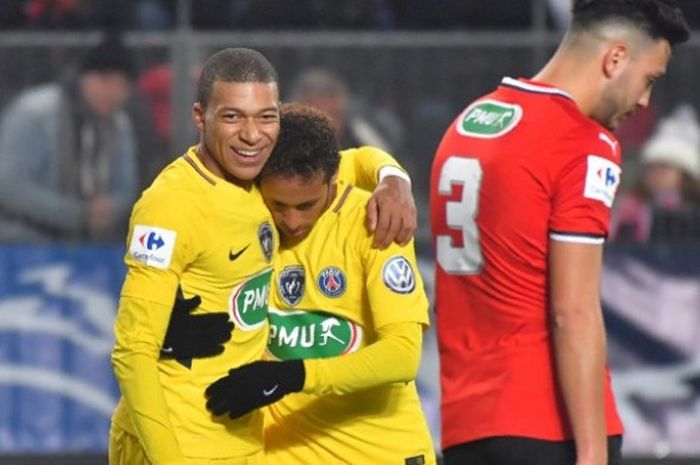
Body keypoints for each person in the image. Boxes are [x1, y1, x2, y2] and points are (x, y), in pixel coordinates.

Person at [110, 47, 416, 465]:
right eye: (232, 116)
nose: (252, 134)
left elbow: (350, 159)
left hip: (291, 447)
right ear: (201, 117)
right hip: (202, 445)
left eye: (264, 117)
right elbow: (133, 351)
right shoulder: (185, 200)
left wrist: (393, 176)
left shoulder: (349, 208)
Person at [429, 1, 690, 465]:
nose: (645, 101)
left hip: (465, 425)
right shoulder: (584, 144)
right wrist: (592, 453)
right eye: (649, 80)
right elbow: (574, 311)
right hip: (549, 426)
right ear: (614, 59)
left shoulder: (469, 123)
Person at [196, 103, 435, 464]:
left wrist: (293, 374)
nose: (292, 221)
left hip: (380, 454)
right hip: (280, 454)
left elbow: (402, 357)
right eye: (278, 205)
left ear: (334, 179)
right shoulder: (244, 220)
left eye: (307, 205)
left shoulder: (376, 222)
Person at [0, 33, 138, 243]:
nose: (112, 92)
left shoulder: (119, 123)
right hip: (22, 243)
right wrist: (78, 214)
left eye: (122, 86)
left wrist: (109, 209)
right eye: (105, 80)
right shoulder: (33, 113)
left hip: (91, 245)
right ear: (84, 77)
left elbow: (126, 186)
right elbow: (10, 185)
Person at [611, 104, 700, 242]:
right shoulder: (630, 209)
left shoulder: (695, 210)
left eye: (665, 167)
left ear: (684, 175)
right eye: (652, 167)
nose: (656, 173)